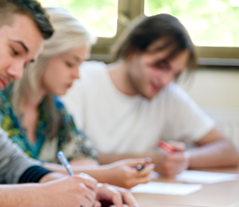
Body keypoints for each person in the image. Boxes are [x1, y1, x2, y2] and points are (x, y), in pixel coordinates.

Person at [0, 0, 141, 207]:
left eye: (26, 63)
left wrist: (81, 189)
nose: (17, 73)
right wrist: (43, 196)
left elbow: (9, 161)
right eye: (15, 51)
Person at [0, 7, 154, 189]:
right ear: (41, 55)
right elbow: (12, 168)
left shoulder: (53, 108)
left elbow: (83, 154)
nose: (77, 75)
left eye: (80, 64)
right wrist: (104, 175)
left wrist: (92, 175)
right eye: (70, 63)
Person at [62, 14, 239, 177]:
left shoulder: (167, 95)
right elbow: (63, 157)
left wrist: (183, 159)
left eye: (175, 74)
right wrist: (150, 159)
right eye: (160, 66)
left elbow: (229, 151)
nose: (166, 80)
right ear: (133, 51)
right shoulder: (79, 80)